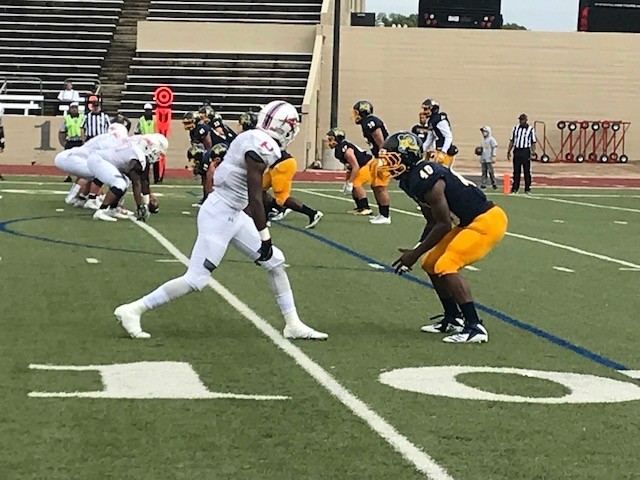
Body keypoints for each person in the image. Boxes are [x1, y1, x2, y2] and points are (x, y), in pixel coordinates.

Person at [113, 100, 328, 341]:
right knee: (196, 280)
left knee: (275, 263)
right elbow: (254, 197)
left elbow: (252, 194)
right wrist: (264, 237)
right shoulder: (262, 148)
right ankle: (134, 309)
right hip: (219, 214)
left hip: (232, 212)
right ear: (285, 128)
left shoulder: (252, 137)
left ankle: (293, 324)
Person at [377, 131, 508, 343]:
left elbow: (444, 223)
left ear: (406, 157)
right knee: (429, 263)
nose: (384, 163)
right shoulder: (409, 180)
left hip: (486, 221)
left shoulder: (425, 176)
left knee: (446, 264)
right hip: (466, 222)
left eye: (390, 158)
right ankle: (453, 317)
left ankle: (475, 326)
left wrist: (413, 254)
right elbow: (433, 221)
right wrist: (416, 249)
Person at [88, 133, 168, 222]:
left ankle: (112, 209)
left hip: (104, 160)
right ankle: (101, 211)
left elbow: (144, 180)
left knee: (126, 181)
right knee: (120, 184)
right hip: (99, 160)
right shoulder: (138, 155)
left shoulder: (137, 145)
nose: (157, 156)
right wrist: (139, 206)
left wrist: (145, 203)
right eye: (157, 152)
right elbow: (136, 183)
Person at [262, 149, 324, 229]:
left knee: (282, 198)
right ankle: (272, 211)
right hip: (275, 165)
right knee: (258, 189)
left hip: (282, 164)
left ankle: (313, 213)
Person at [352, 100, 391, 225]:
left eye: (357, 113)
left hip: (383, 157)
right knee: (375, 186)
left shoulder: (370, 122)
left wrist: (383, 156)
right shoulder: (366, 122)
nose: (355, 116)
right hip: (378, 157)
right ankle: (382, 213)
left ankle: (385, 216)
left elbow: (379, 138)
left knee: (380, 186)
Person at [326, 128, 374, 216]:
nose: (329, 142)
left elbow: (355, 166)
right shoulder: (338, 150)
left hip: (368, 164)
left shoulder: (347, 150)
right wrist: (347, 181)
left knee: (356, 183)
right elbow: (350, 167)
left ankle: (366, 208)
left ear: (337, 139)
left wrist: (350, 182)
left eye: (330, 139)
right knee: (353, 184)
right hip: (361, 165)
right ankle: (360, 207)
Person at [421, 99, 457, 167]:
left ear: (433, 109)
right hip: (437, 150)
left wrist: (444, 151)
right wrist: (421, 150)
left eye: (426, 109)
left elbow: (448, 136)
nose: (424, 111)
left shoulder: (439, 120)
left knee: (444, 173)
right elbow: (430, 139)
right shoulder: (431, 121)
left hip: (445, 152)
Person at [507, 113, 537, 194]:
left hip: (525, 151)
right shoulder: (515, 128)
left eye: (522, 120)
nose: (521, 121)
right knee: (516, 171)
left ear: (526, 120)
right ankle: (515, 188)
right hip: (517, 150)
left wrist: (532, 152)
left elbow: (533, 142)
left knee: (526, 171)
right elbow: (512, 140)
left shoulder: (530, 129)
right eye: (520, 120)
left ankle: (527, 188)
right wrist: (509, 151)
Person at [478, 126, 498, 190]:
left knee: (491, 171)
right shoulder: (483, 140)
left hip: (489, 158)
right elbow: (482, 148)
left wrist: (494, 155)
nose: (483, 133)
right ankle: (484, 183)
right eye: (483, 132)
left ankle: (494, 183)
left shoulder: (491, 139)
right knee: (484, 171)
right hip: (483, 158)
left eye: (484, 131)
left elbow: (494, 147)